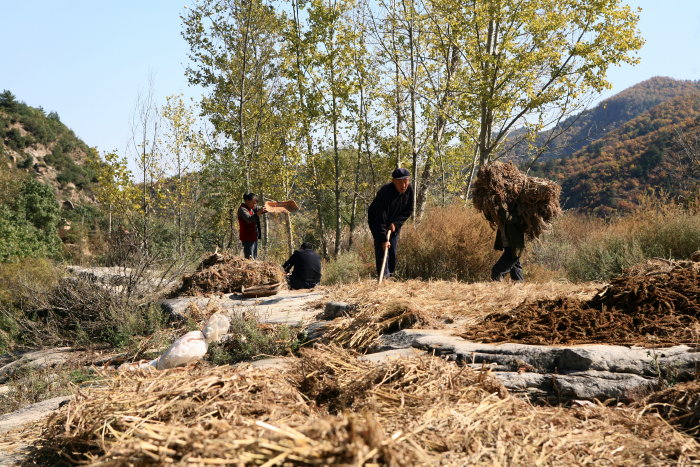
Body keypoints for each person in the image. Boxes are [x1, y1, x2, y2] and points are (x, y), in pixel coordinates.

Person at [367, 167, 414, 279]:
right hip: (377, 222)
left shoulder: (409, 190)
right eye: (400, 182)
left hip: (394, 223)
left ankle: (390, 278)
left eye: (405, 182)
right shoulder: (385, 193)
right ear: (393, 181)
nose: (403, 185)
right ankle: (383, 279)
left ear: (408, 180)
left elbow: (408, 210)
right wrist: (383, 239)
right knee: (382, 251)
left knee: (392, 251)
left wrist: (396, 224)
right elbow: (379, 217)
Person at [491, 201, 525, 281]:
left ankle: (496, 292)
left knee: (497, 272)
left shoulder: (517, 215)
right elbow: (494, 216)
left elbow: (508, 217)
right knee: (516, 274)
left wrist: (501, 204)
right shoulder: (503, 214)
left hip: (513, 249)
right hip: (508, 248)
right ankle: (520, 290)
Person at [238, 193, 267, 259]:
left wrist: (273, 207)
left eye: (255, 203)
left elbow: (263, 209)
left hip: (254, 237)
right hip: (247, 238)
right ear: (247, 201)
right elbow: (249, 219)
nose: (254, 205)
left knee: (254, 258)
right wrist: (258, 213)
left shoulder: (252, 208)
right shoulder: (242, 209)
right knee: (249, 259)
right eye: (253, 203)